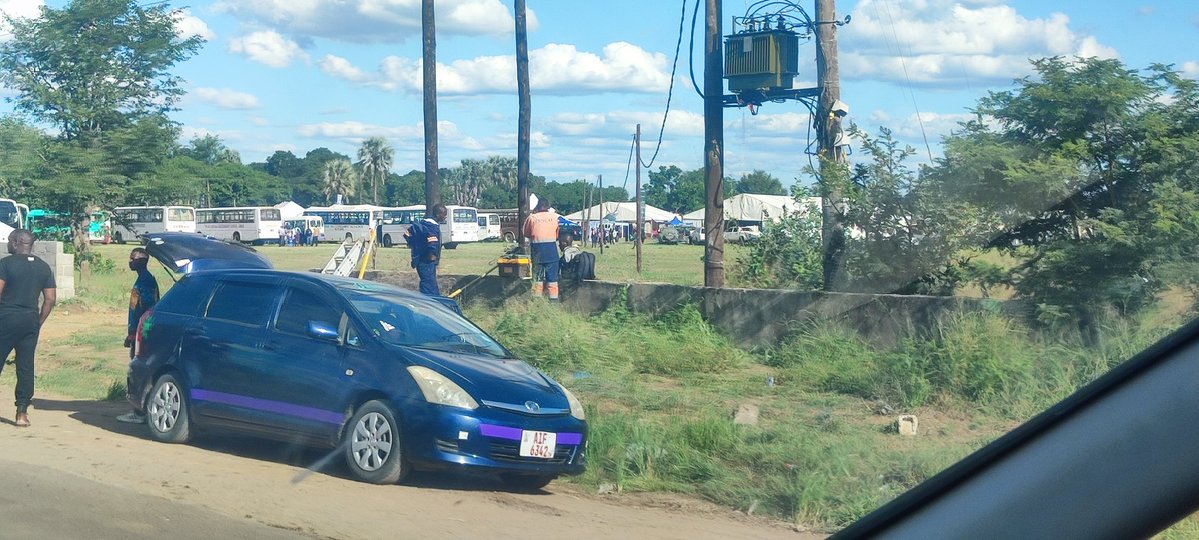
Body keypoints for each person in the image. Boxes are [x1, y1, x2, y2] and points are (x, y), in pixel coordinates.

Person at [0, 229, 56, 427]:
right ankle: (22, 413)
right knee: (25, 366)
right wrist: (38, 322)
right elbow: (50, 299)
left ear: (16, 242)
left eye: (9, 240)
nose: (8, 243)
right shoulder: (44, 267)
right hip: (30, 320)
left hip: (6, 318)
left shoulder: (5, 264)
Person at [116, 247, 159, 424]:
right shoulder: (143, 279)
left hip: (143, 332)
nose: (130, 262)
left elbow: (146, 308)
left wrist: (135, 334)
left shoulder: (146, 281)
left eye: (133, 258)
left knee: (138, 369)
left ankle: (139, 412)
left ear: (142, 261)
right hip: (138, 331)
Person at [404, 203, 447, 296]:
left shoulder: (420, 224)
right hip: (427, 261)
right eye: (444, 215)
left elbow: (407, 234)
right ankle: (429, 302)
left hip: (419, 259)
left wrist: (415, 247)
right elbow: (432, 243)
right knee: (429, 285)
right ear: (437, 214)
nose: (445, 217)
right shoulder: (432, 227)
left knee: (428, 282)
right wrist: (431, 254)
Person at [523, 198, 561, 301]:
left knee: (538, 279)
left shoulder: (532, 218)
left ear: (538, 206)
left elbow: (526, 233)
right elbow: (557, 234)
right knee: (553, 280)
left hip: (537, 253)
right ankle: (553, 302)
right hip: (552, 252)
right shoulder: (555, 217)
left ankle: (537, 301)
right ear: (548, 207)